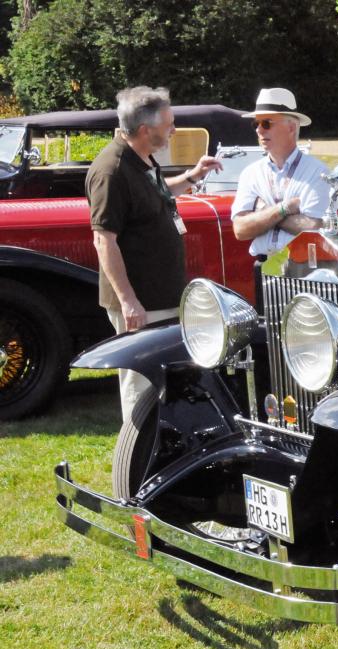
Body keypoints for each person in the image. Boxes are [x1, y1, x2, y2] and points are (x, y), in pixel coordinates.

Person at [86, 86, 222, 421]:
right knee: (140, 386)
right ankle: (137, 461)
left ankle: (162, 451)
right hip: (141, 304)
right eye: (169, 124)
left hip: (161, 298)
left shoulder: (142, 159)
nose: (173, 130)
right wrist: (130, 301)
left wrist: (192, 176)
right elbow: (104, 241)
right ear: (146, 130)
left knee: (163, 385)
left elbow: (157, 195)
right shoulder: (112, 171)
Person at [231, 88, 329, 286]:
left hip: (303, 271)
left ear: (291, 127)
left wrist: (262, 214)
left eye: (266, 123)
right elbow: (240, 229)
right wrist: (283, 209)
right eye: (256, 123)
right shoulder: (251, 173)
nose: (259, 130)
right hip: (262, 268)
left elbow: (314, 230)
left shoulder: (318, 172)